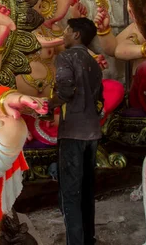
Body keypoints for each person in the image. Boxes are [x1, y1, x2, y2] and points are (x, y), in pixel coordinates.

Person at [48, 17, 104, 245]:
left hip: (73, 133)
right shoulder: (93, 63)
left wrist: (46, 104)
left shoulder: (66, 56)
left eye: (68, 30)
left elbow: (65, 89)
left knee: (70, 193)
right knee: (87, 189)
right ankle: (88, 238)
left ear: (77, 35)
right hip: (92, 133)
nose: (64, 33)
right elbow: (99, 100)